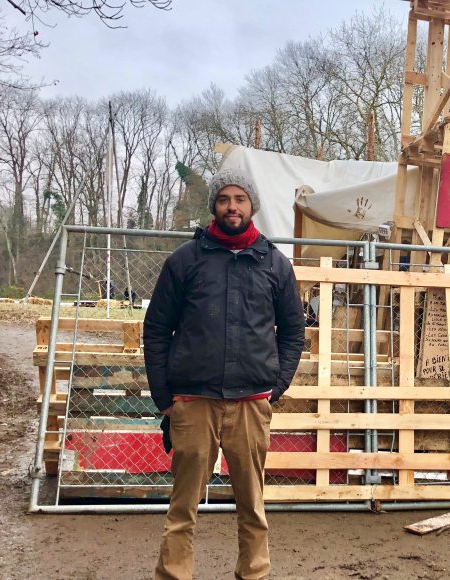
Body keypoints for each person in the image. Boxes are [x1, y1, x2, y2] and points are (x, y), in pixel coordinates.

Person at [143, 167, 305, 580]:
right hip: (193, 402)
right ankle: (174, 574)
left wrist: (276, 385)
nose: (232, 207)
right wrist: (165, 398)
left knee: (252, 504)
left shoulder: (274, 264)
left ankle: (253, 573)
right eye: (224, 199)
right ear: (214, 206)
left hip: (251, 403)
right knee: (184, 506)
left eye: (240, 199)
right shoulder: (185, 261)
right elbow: (157, 329)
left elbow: (293, 331)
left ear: (252, 206)